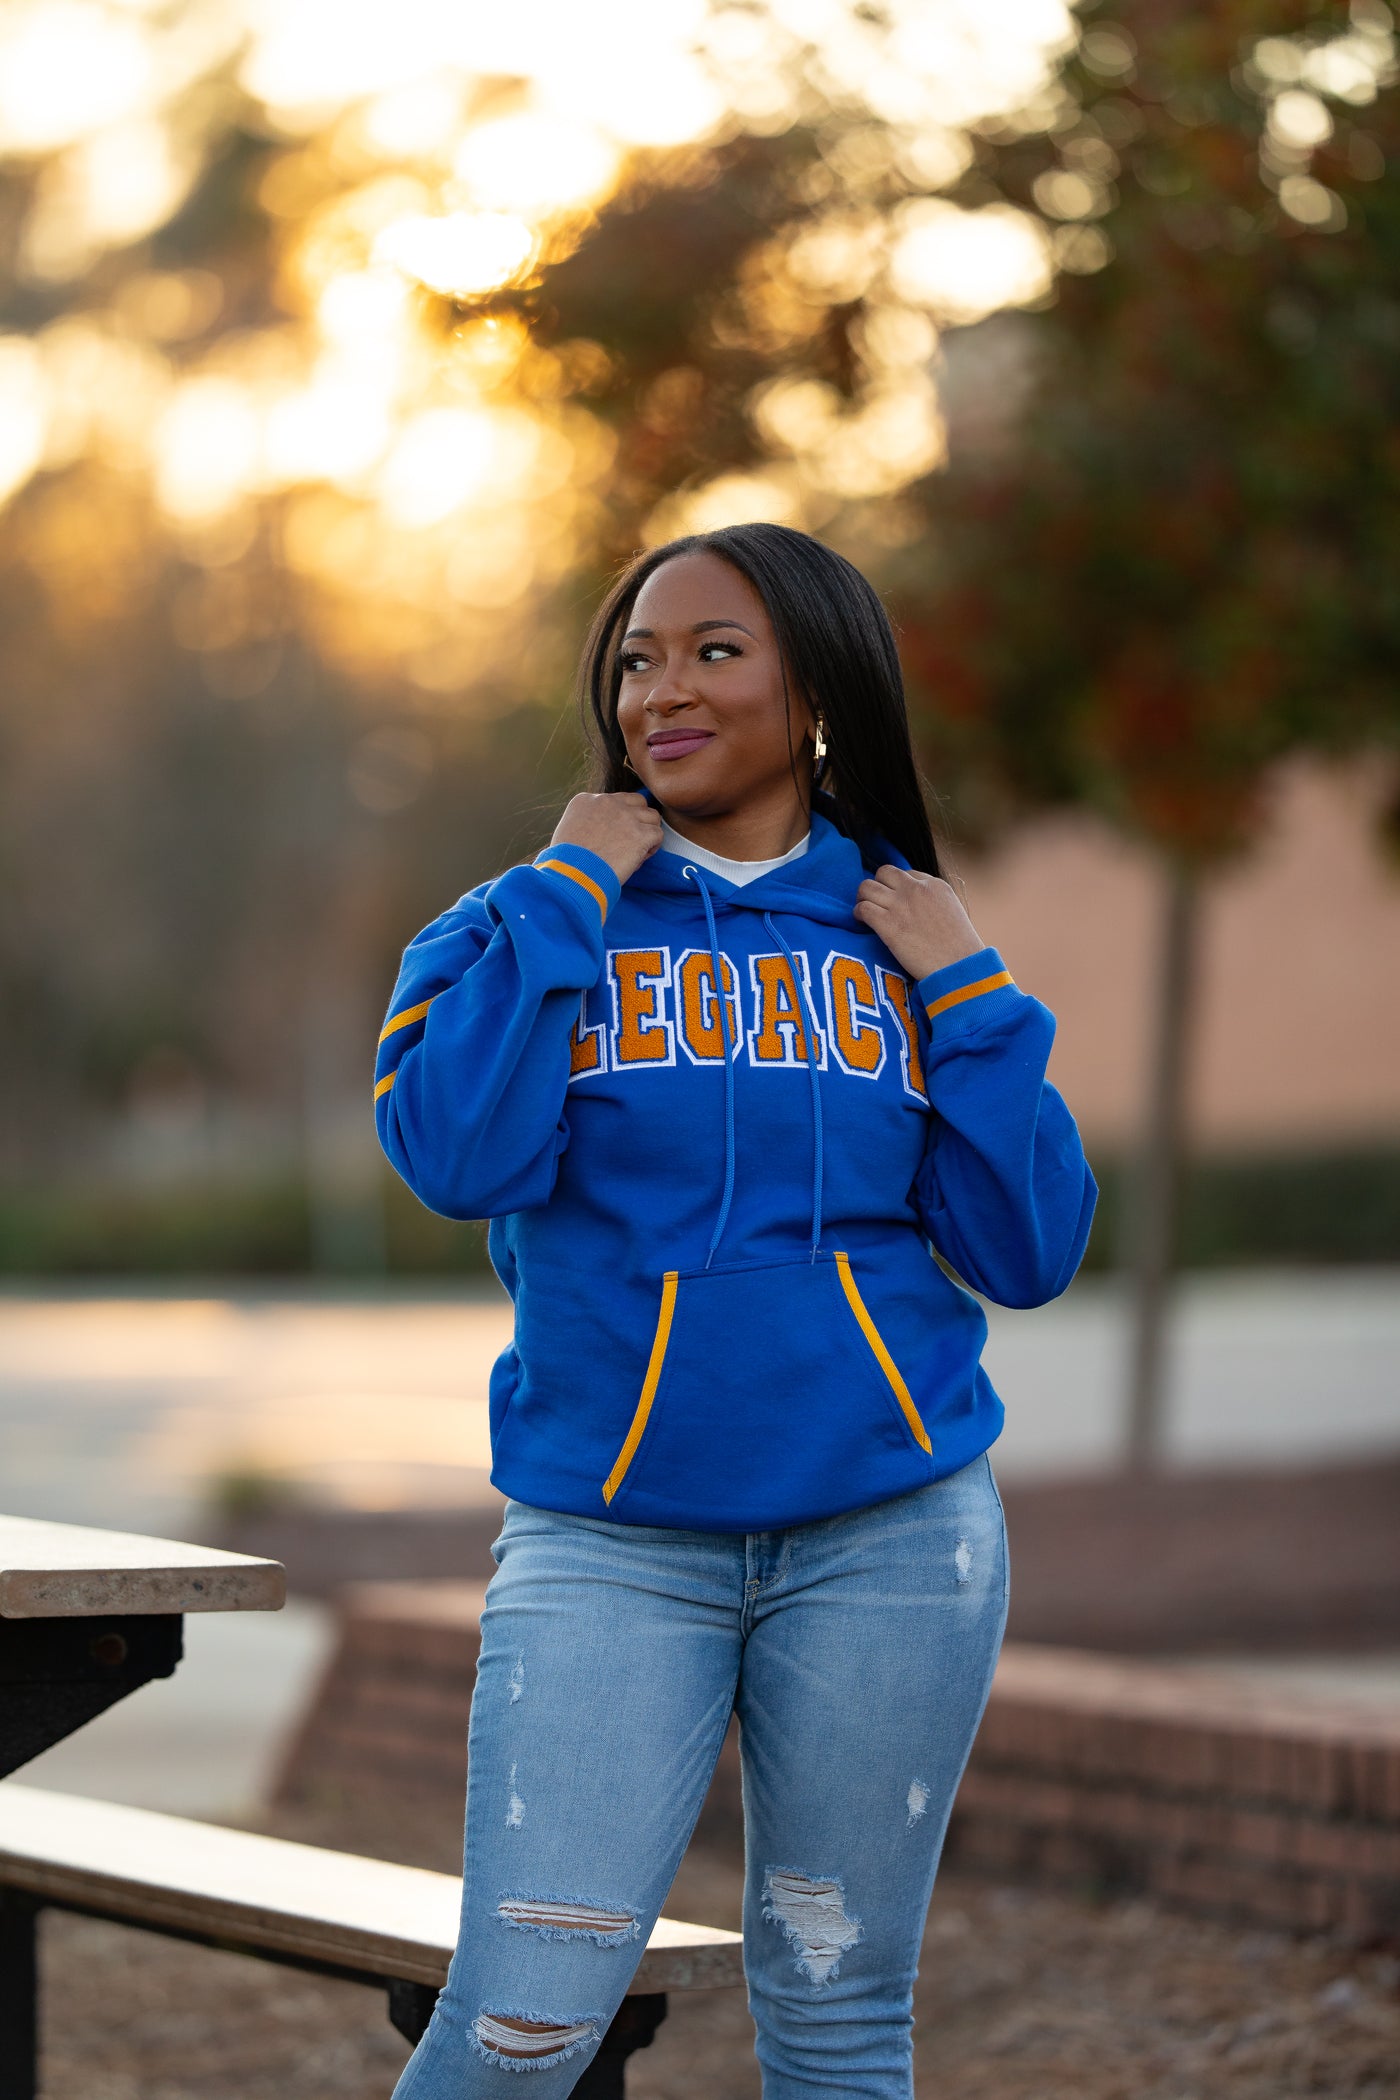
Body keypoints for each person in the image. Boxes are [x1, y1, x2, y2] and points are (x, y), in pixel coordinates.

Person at [374, 522, 1095, 2097]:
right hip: (613, 1544)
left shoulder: (909, 938)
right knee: (522, 2026)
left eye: (713, 652)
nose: (661, 692)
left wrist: (973, 995)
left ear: (816, 689)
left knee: (840, 2013)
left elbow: (1029, 1247)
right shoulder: (513, 926)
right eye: (637, 660)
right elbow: (457, 1155)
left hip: (895, 1538)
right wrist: (572, 890)